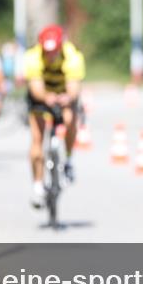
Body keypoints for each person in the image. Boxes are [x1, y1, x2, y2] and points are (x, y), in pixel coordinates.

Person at [23, 24, 86, 208]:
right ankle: (37, 186)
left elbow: (73, 88)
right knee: (37, 139)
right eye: (47, 52)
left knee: (70, 120)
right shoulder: (33, 57)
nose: (50, 55)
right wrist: (46, 97)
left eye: (54, 51)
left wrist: (67, 98)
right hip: (41, 96)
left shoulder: (73, 57)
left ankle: (68, 160)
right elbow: (36, 88)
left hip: (64, 92)